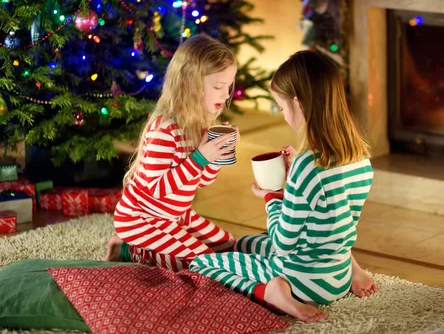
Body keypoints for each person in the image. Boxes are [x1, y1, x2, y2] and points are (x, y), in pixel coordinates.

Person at [189, 50, 377, 322]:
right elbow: (333, 224)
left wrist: (273, 197)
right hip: (337, 273)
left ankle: (273, 292)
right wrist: (296, 187)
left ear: (298, 104)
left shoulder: (306, 166)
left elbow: (282, 244)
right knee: (243, 244)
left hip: (302, 279)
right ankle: (352, 268)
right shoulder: (360, 159)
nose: (282, 114)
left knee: (202, 262)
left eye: (280, 106)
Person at [105, 35, 238, 271]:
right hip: (141, 219)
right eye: (218, 87)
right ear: (190, 84)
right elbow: (156, 189)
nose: (226, 94)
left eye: (229, 86)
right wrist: (200, 158)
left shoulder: (198, 127)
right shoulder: (164, 130)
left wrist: (215, 157)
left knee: (228, 244)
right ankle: (129, 249)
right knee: (207, 262)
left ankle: (133, 249)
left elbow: (203, 182)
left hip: (175, 213)